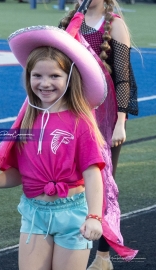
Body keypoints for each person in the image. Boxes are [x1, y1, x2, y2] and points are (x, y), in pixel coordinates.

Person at [0, 25, 108, 270]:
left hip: (73, 215)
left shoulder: (80, 121)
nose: (45, 83)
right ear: (28, 77)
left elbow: (92, 175)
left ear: (69, 78)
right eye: (37, 75)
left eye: (54, 76)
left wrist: (94, 216)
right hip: (35, 214)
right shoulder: (27, 120)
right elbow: (23, 173)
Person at [59, 0, 138, 269]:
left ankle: (103, 257)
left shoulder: (114, 24)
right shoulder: (70, 19)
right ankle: (68, 244)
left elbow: (124, 78)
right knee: (72, 180)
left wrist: (121, 123)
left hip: (105, 115)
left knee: (104, 184)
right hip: (74, 111)